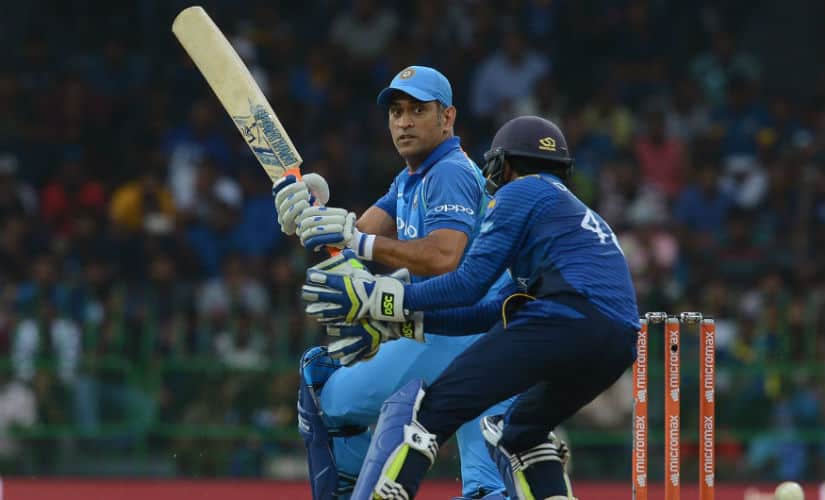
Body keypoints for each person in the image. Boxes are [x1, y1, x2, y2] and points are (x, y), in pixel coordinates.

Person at [303, 116, 640, 499]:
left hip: (566, 316)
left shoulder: (521, 192)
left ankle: (389, 494)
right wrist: (405, 322)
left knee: (435, 409)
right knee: (519, 433)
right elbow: (491, 311)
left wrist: (385, 299)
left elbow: (469, 284)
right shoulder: (571, 217)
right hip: (619, 340)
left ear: (504, 165)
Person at [272, 66, 510, 499]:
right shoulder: (409, 178)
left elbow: (442, 255)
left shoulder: (449, 172)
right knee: (489, 489)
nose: (404, 121)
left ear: (448, 117)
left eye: (418, 110)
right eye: (397, 112)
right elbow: (350, 245)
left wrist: (354, 239)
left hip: (461, 334)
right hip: (485, 340)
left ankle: (356, 487)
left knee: (325, 392)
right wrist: (310, 212)